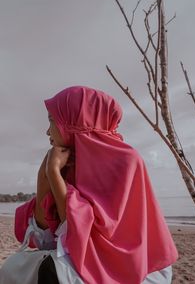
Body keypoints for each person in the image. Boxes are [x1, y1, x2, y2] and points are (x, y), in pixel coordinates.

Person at [0, 86, 178, 284]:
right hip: (84, 255)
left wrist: (54, 175)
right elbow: (46, 237)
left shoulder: (126, 161)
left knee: (49, 272)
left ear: (73, 122)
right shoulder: (65, 160)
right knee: (15, 267)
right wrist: (45, 177)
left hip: (133, 266)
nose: (47, 130)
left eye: (52, 120)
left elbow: (81, 234)